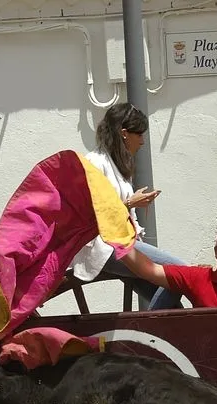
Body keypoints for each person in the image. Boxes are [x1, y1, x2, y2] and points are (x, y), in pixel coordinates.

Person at [70, 102, 185, 309]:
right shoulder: (94, 163)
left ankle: (157, 323)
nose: (142, 141)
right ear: (124, 133)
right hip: (107, 246)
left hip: (122, 243)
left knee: (173, 304)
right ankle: (150, 325)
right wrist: (130, 203)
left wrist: (130, 206)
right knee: (180, 270)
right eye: (139, 134)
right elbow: (90, 213)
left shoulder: (117, 164)